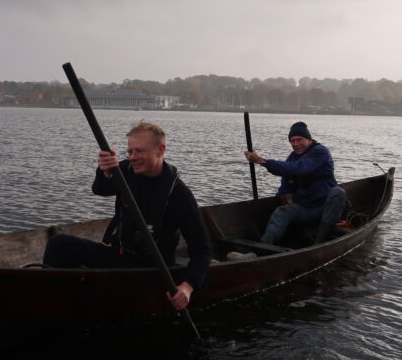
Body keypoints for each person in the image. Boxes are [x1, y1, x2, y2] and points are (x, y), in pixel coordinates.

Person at [43, 121, 212, 311]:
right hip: (120, 256)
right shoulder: (125, 171)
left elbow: (202, 251)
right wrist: (105, 171)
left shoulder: (179, 194)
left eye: (139, 151)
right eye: (129, 152)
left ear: (160, 150)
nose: (133, 157)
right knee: (58, 244)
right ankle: (52, 301)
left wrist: (188, 287)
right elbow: (100, 189)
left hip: (154, 270)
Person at [243, 121, 347, 245]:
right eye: (292, 141)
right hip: (307, 209)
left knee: (337, 192)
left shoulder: (321, 152)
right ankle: (263, 246)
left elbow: (299, 168)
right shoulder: (292, 158)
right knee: (283, 211)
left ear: (309, 139)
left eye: (299, 140)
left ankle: (319, 244)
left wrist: (261, 161)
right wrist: (270, 205)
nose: (296, 144)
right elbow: (285, 187)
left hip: (326, 208)